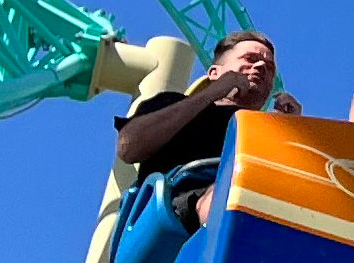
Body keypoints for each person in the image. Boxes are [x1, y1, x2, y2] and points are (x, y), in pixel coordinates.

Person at [115, 30, 303, 231]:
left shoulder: (266, 132)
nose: (261, 67)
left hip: (250, 204)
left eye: (269, 68)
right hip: (177, 208)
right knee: (233, 191)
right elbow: (129, 147)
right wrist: (214, 92)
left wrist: (294, 133)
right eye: (250, 59)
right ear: (215, 73)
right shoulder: (173, 103)